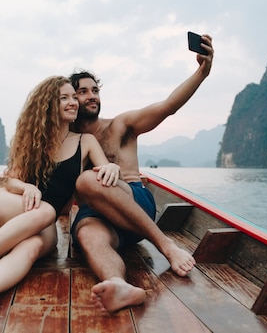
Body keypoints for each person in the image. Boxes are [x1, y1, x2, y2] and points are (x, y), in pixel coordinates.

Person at [0, 75, 120, 318]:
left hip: (42, 223)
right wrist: (27, 188)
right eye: (64, 98)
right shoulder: (33, 139)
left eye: (74, 97)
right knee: (47, 211)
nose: (73, 102)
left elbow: (103, 172)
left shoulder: (86, 141)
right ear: (49, 104)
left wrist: (113, 167)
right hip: (10, 207)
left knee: (33, 245)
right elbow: (9, 180)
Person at [70, 34, 214, 313]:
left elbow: (168, 106)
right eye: (82, 91)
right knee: (87, 235)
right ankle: (118, 285)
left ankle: (166, 245)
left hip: (135, 203)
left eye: (94, 90)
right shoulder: (67, 142)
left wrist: (202, 73)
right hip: (98, 218)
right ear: (70, 100)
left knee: (87, 179)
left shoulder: (121, 126)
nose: (91, 96)